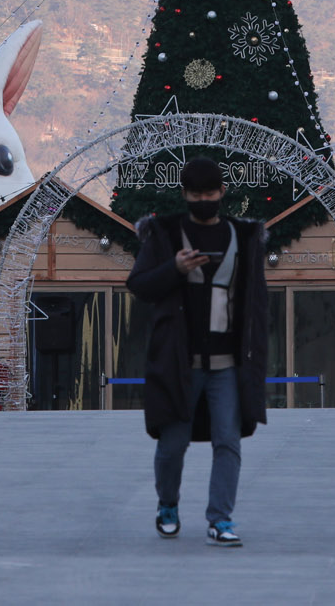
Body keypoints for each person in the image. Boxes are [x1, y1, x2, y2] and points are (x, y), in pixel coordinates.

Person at [125, 155, 270, 547]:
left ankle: (220, 519)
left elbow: (255, 301)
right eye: (195, 194)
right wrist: (174, 268)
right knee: (172, 445)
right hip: (179, 363)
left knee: (229, 441)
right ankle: (167, 504)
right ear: (185, 194)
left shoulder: (243, 237)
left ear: (222, 192)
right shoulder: (165, 235)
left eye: (210, 193)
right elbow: (138, 285)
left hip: (227, 364)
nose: (203, 199)